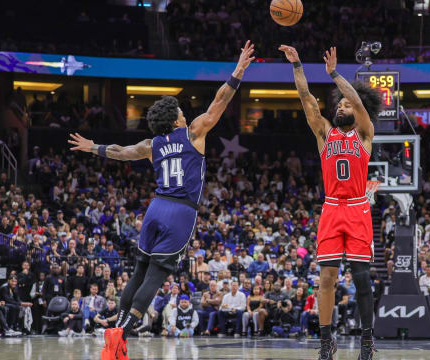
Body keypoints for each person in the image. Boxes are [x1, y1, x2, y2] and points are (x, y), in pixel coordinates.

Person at [68, 40, 255, 360]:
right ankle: (119, 337)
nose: (185, 112)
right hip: (180, 212)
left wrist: (93, 147)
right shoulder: (194, 132)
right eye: (181, 111)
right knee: (154, 279)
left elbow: (120, 153)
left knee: (138, 271)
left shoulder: (152, 144)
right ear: (175, 120)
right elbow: (219, 102)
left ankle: (118, 338)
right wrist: (238, 70)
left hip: (155, 209)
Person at [279, 44, 381, 360]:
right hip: (332, 208)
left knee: (362, 280)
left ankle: (366, 341)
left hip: (357, 208)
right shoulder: (325, 132)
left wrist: (335, 74)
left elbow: (358, 104)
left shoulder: (365, 133)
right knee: (326, 279)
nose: (339, 107)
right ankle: (326, 342)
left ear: (358, 108)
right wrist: (297, 66)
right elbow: (307, 100)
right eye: (338, 104)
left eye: (346, 104)